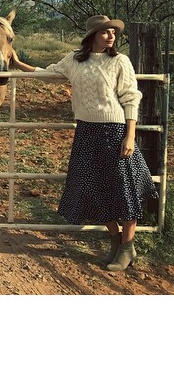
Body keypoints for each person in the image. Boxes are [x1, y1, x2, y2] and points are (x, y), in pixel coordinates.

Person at [11, 15, 159, 272]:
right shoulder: (74, 60)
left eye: (113, 32)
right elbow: (49, 74)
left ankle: (127, 247)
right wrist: (18, 63)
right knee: (96, 190)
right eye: (105, 32)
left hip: (115, 131)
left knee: (124, 189)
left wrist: (130, 134)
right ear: (92, 36)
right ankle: (116, 242)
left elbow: (131, 97)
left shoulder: (120, 61)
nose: (111, 36)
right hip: (87, 132)